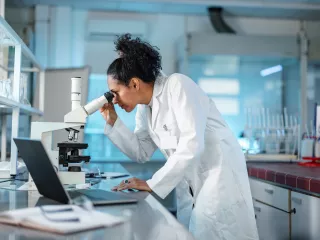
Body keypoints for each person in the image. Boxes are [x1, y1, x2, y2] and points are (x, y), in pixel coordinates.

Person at [100, 34, 258, 240]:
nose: (115, 99)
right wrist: (113, 122)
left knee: (220, 232)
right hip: (192, 186)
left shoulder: (178, 86)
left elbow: (192, 145)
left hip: (218, 180)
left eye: (115, 92)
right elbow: (141, 152)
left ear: (135, 84)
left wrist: (151, 183)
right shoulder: (145, 108)